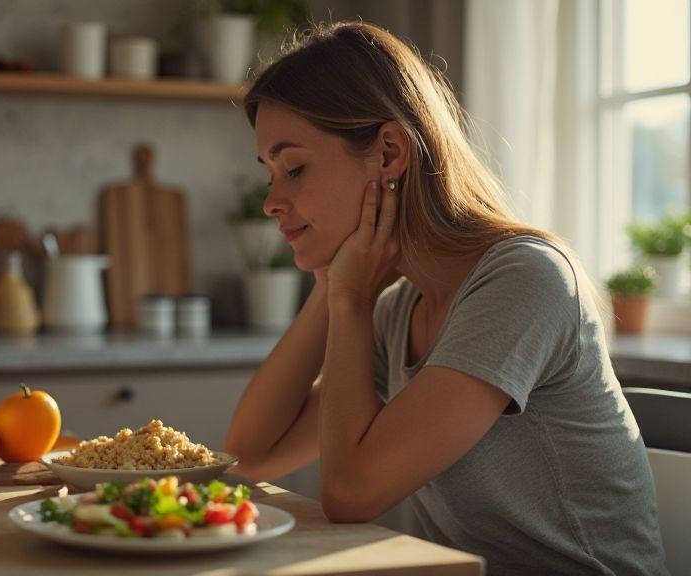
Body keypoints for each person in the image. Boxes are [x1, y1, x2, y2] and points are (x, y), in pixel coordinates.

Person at [224, 21, 667, 576]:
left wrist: (350, 301)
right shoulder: (398, 310)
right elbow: (249, 455)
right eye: (269, 174)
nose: (272, 201)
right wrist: (335, 288)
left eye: (294, 169)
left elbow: (351, 494)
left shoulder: (526, 280)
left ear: (388, 153)